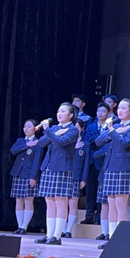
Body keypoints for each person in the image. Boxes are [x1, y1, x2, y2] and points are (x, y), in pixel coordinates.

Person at [95, 98, 130, 248]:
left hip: (123, 168)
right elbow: (98, 142)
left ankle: (120, 239)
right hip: (110, 167)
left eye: (123, 108)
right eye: (119, 108)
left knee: (121, 205)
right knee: (111, 204)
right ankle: (111, 237)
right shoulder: (115, 126)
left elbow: (123, 143)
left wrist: (112, 131)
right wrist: (111, 130)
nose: (120, 111)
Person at [35, 103, 79, 245]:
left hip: (62, 168)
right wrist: (53, 133)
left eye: (63, 111)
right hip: (49, 167)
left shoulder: (73, 130)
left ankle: (57, 236)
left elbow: (61, 142)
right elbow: (41, 143)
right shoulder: (54, 128)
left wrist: (50, 132)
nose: (59, 114)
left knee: (60, 201)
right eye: (58, 111)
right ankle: (49, 235)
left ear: (70, 115)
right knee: (49, 202)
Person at [10, 119, 43, 235]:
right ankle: (19, 226)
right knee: (18, 200)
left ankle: (24, 227)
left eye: (29, 126)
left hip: (29, 174)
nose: (26, 129)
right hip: (18, 173)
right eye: (25, 126)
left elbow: (37, 161)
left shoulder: (38, 142)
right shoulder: (20, 141)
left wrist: (33, 177)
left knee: (28, 200)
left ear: (35, 128)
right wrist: (26, 145)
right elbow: (13, 151)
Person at [80, 102, 109, 225]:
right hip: (92, 161)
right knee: (90, 190)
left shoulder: (110, 127)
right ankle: (89, 215)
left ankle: (99, 217)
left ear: (108, 113)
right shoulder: (91, 126)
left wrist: (97, 138)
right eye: (99, 111)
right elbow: (88, 140)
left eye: (103, 111)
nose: (100, 113)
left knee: (102, 191)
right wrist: (101, 137)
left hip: (104, 161)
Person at [62, 119, 88, 238]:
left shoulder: (85, 145)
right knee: (62, 203)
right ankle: (61, 228)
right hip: (64, 175)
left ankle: (68, 229)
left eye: (77, 127)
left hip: (76, 176)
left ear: (82, 129)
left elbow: (86, 163)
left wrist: (84, 179)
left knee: (73, 203)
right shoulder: (65, 141)